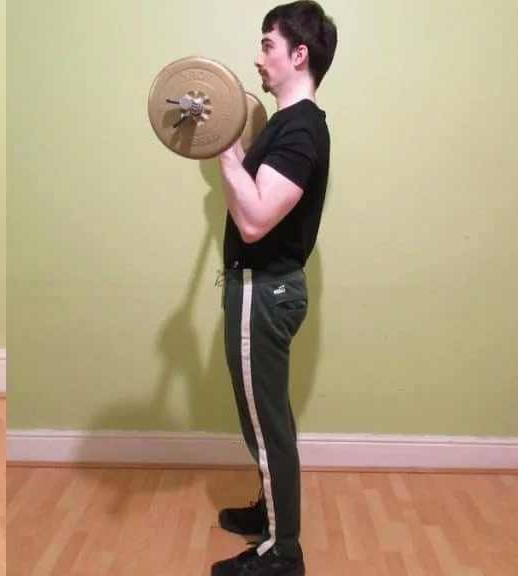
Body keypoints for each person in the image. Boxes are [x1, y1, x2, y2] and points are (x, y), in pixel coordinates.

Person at [209, 2, 337, 575]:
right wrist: (234, 152)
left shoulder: (301, 129)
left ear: (298, 54)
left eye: (267, 45)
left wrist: (226, 151)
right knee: (265, 414)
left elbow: (256, 220)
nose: (259, 59)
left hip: (263, 292)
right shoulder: (288, 124)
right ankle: (270, 515)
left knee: (265, 423)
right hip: (260, 289)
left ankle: (282, 552)